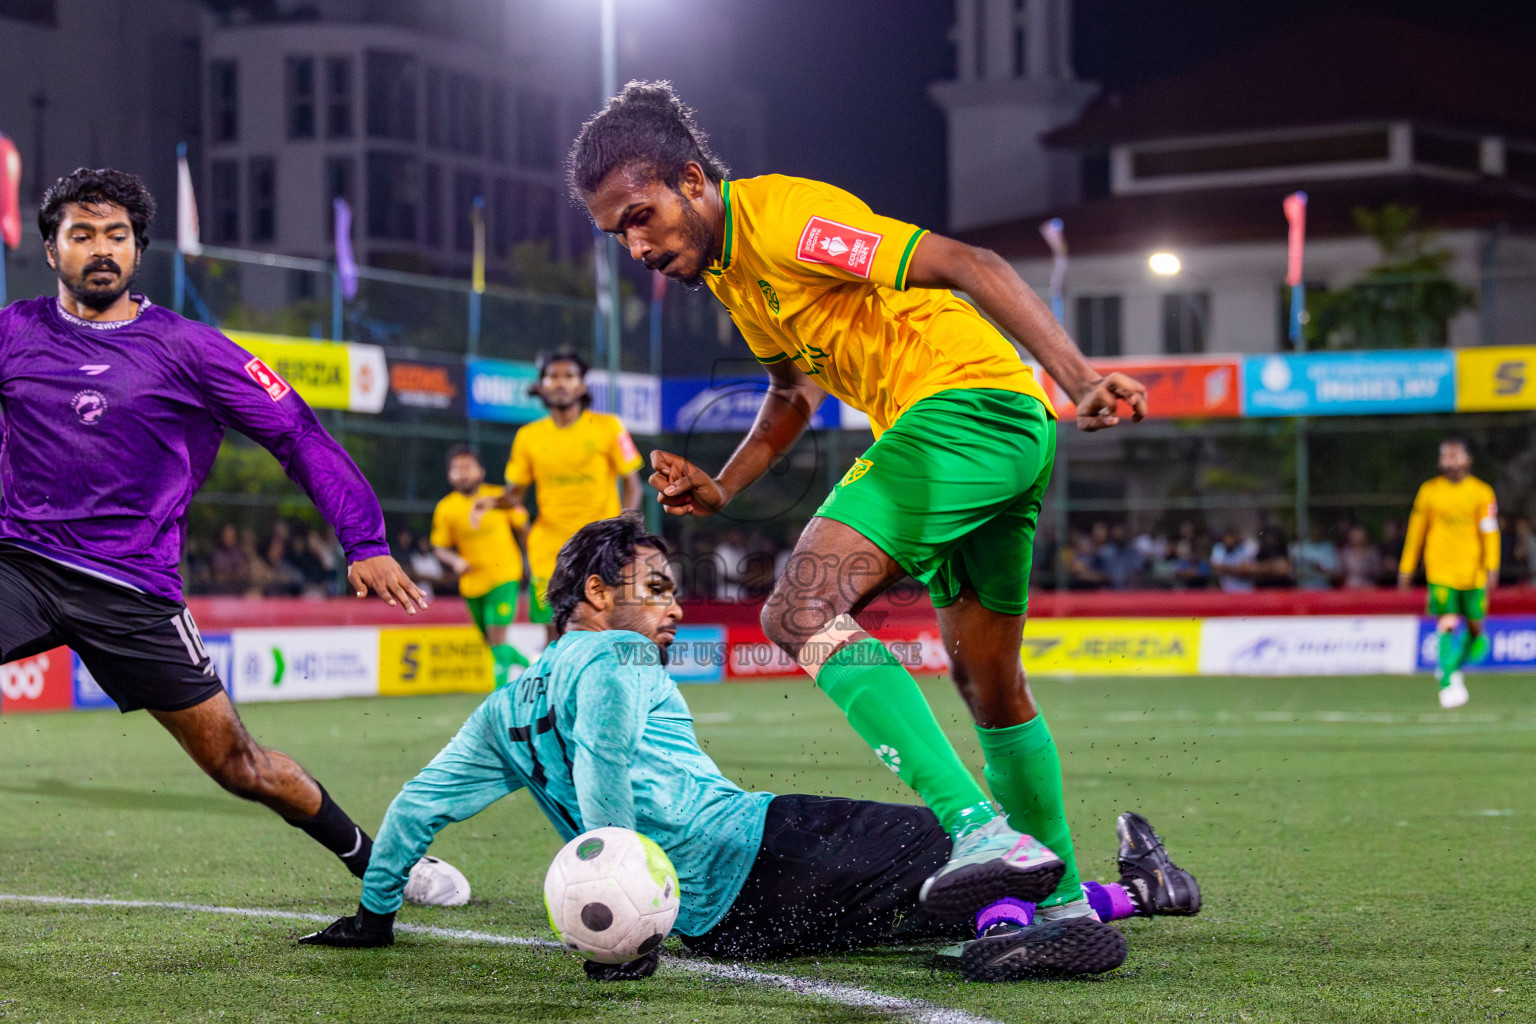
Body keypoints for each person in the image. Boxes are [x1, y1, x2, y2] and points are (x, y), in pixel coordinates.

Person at [570, 83, 1149, 927]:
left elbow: (970, 265)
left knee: (800, 607)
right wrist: (724, 484)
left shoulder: (782, 219)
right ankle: (1062, 904)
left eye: (639, 216)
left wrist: (1082, 379)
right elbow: (791, 393)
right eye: (617, 232)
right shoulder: (734, 273)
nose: (636, 245)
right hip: (992, 436)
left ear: (691, 180)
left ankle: (980, 832)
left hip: (966, 409)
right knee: (990, 685)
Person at [298, 515, 1200, 981]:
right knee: (994, 849)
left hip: (721, 930)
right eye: (657, 586)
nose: (677, 607)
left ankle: (1129, 899)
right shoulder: (614, 656)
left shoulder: (506, 705)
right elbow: (605, 775)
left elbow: (419, 805)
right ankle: (1112, 897)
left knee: (924, 905)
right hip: (761, 847)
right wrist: (621, 913)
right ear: (597, 591)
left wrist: (379, 914)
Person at [0, 167, 448, 891]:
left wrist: (363, 540)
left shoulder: (190, 349)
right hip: (19, 563)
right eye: (81, 235)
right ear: (51, 251)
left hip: (132, 590)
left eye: (116, 234)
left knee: (241, 765)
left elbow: (297, 432)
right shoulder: (13, 333)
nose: (100, 248)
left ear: (138, 250)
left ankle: (379, 864)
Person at [473, 351, 643, 643]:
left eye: (569, 376)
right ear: (541, 387)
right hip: (550, 551)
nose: (561, 383)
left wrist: (624, 523)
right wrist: (489, 502)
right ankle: (557, 685)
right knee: (556, 633)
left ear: (582, 387)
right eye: (553, 376)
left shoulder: (609, 427)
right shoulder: (528, 437)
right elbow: (514, 496)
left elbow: (633, 484)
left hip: (600, 545)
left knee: (606, 625)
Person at [1398, 438, 1500, 708]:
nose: (1451, 462)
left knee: (1477, 631)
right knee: (1448, 620)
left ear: (1467, 460)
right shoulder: (1429, 492)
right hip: (1441, 570)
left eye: (1456, 457)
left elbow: (1489, 532)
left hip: (1473, 571)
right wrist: (1407, 566)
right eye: (1446, 457)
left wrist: (1492, 564)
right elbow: (1416, 531)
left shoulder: (1482, 492)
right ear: (1439, 462)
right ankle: (1445, 682)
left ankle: (1451, 667)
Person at [430, 445, 532, 687]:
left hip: (504, 575)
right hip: (472, 584)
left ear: (481, 471)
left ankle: (499, 698)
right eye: (457, 469)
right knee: (493, 644)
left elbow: (524, 529)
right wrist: (455, 561)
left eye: (468, 467)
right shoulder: (446, 508)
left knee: (497, 638)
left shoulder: (500, 497)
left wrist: (532, 561)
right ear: (449, 475)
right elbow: (440, 548)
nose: (463, 473)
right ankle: (533, 666)